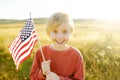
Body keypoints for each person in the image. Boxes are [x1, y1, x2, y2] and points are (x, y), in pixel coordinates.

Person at [30, 12, 84, 80]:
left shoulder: (76, 55)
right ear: (48, 33)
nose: (60, 37)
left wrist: (59, 79)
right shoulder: (40, 52)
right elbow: (32, 77)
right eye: (55, 31)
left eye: (64, 31)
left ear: (71, 32)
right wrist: (42, 74)